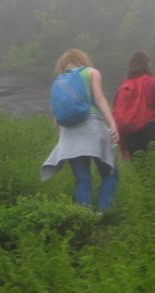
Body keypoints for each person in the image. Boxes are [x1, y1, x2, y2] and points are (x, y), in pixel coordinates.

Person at [41, 49, 120, 210]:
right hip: (92, 126)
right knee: (110, 173)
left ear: (63, 64)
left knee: (83, 179)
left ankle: (83, 219)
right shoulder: (91, 72)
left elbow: (56, 113)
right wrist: (112, 123)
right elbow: (99, 98)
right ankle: (103, 214)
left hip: (69, 132)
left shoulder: (59, 80)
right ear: (82, 60)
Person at [114, 51, 155, 157]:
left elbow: (118, 118)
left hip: (131, 136)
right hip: (152, 130)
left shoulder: (124, 87)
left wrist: (123, 147)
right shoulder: (152, 81)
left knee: (142, 172)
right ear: (147, 63)